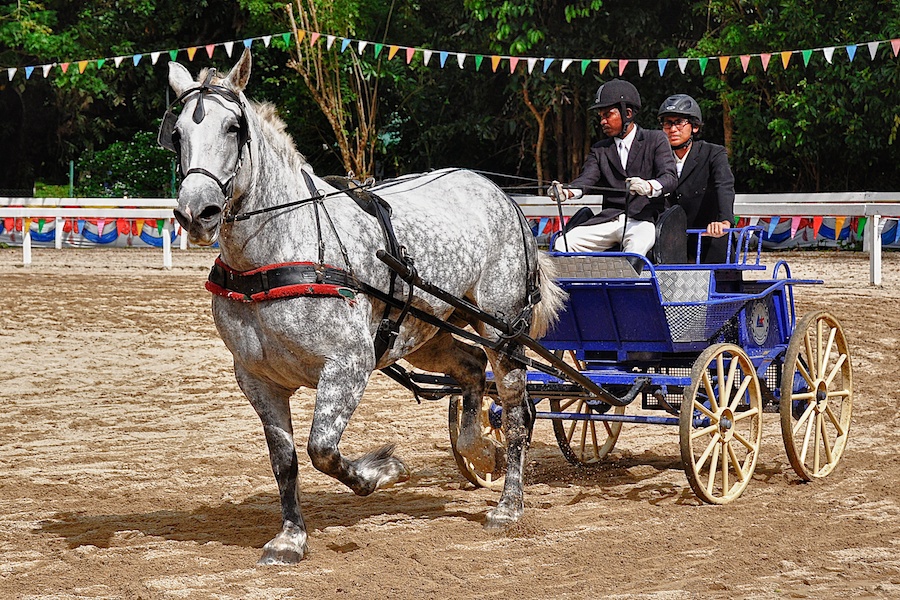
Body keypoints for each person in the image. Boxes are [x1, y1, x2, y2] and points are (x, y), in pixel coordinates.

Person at [551, 79, 677, 258]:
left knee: (637, 246)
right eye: (601, 116)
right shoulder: (600, 149)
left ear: (628, 113)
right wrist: (567, 192)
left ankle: (629, 277)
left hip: (642, 220)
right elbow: (587, 179)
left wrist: (648, 186)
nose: (602, 121)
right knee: (563, 243)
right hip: (608, 220)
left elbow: (670, 178)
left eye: (607, 115)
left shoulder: (655, 139)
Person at [658, 94, 736, 263]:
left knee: (721, 249)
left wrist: (724, 221)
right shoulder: (657, 157)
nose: (673, 129)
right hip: (671, 241)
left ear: (694, 126)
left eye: (679, 122)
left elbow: (724, 185)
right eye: (667, 123)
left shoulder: (713, 153)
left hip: (707, 235)